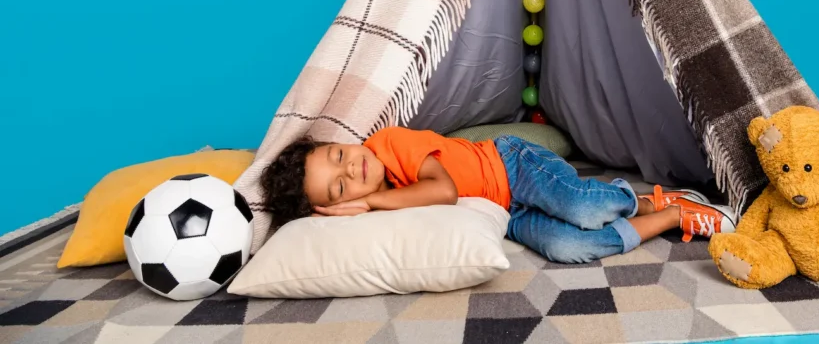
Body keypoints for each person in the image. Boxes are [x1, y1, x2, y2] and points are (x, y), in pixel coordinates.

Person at [260, 126, 736, 264]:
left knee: (582, 208)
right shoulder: (373, 217)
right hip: (506, 211)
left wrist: (370, 200)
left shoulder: (387, 144)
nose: (353, 167)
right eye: (340, 185)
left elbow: (443, 191)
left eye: (338, 154)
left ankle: (657, 199)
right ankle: (672, 219)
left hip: (510, 164)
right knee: (568, 246)